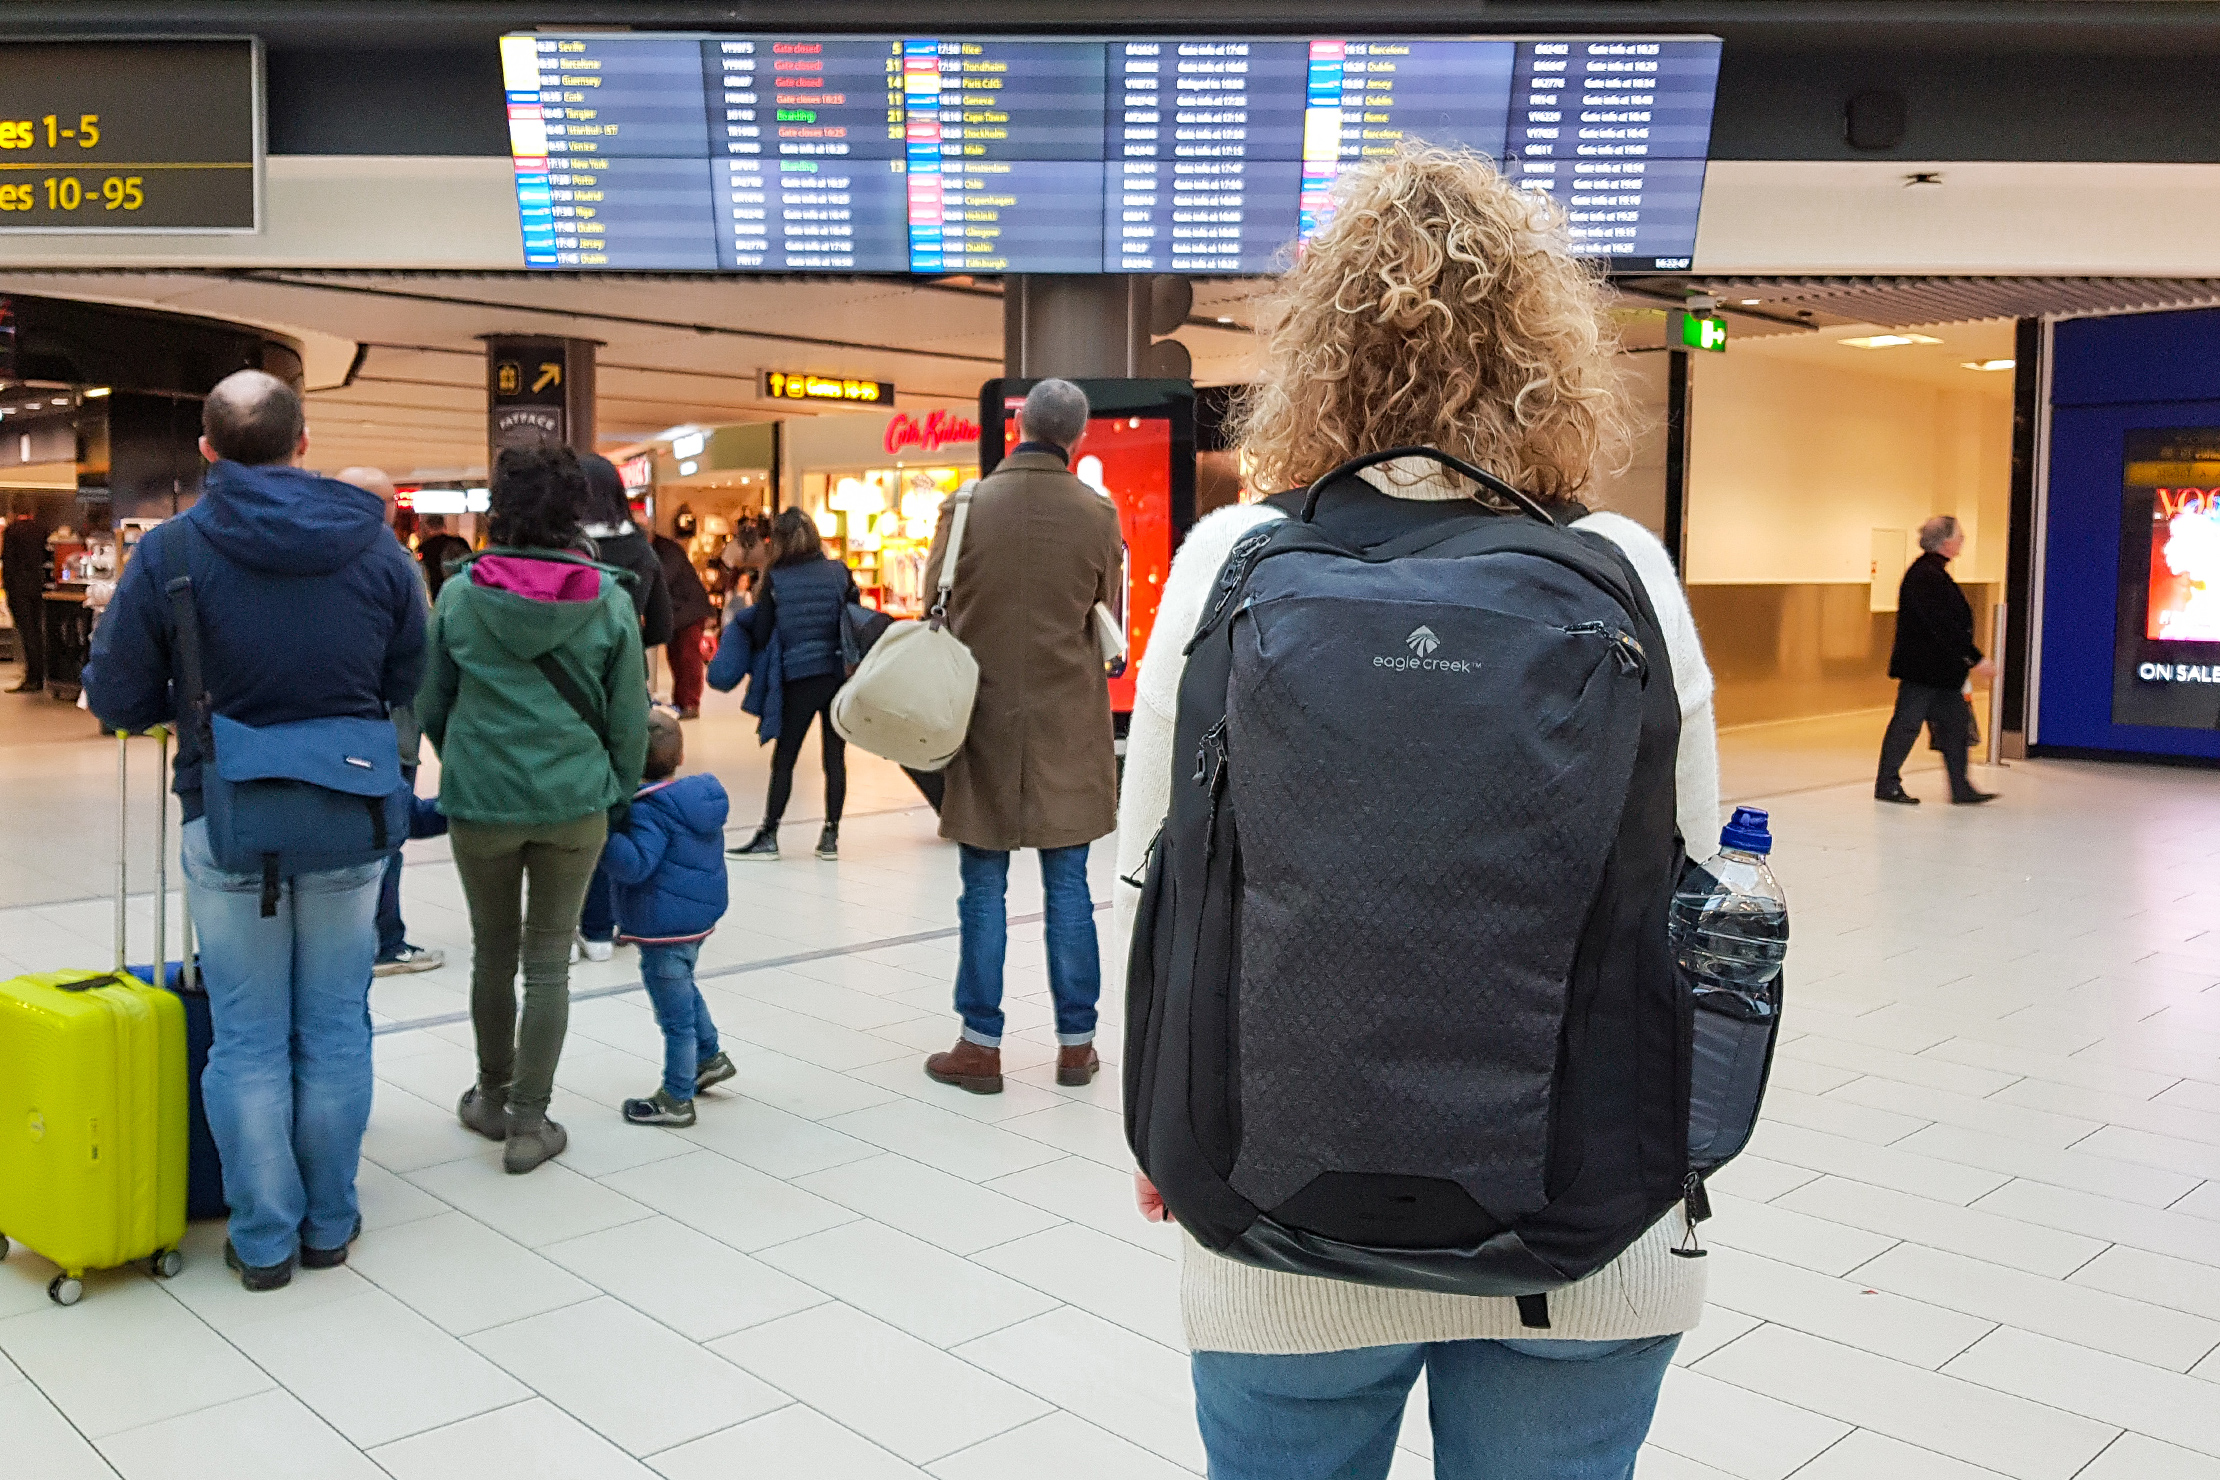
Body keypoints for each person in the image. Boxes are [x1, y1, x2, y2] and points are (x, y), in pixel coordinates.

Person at [1113, 147, 1722, 1479]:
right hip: (1583, 1223)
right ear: (1548, 354)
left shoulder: (1237, 556)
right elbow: (1692, 884)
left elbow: (1145, 867)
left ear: (1315, 354)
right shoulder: (1624, 569)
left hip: (1274, 1217)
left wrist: (1160, 1114)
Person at [86, 370, 427, 1290]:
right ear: (303, 443)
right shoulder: (380, 547)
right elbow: (407, 676)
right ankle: (330, 1223)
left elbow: (114, 696)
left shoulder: (173, 553)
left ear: (205, 451)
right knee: (334, 1027)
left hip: (229, 819)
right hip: (351, 819)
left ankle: (265, 1238)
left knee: (245, 1037)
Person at [416, 443, 649, 1175]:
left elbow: (431, 703)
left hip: (481, 801)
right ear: (574, 508)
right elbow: (629, 720)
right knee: (549, 964)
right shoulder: (608, 600)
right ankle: (529, 1122)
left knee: (494, 952)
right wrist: (617, 788)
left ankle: (490, 1095)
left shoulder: (458, 596)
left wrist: (469, 758)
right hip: (573, 801)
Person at [918, 378, 1123, 1097]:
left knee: (983, 885)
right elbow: (1109, 615)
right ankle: (1076, 1047)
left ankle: (980, 1048)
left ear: (1019, 427)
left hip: (985, 719)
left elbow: (929, 604)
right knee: (1069, 887)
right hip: (1069, 725)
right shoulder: (1098, 514)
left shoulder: (966, 507)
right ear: (1079, 437)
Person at [599, 707, 736, 1126]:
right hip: (695, 920)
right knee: (684, 987)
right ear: (679, 756)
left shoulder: (646, 811)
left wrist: (603, 835)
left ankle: (676, 1097)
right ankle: (709, 1057)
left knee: (673, 1017)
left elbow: (635, 865)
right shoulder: (696, 801)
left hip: (663, 926)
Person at [336, 467, 448, 978]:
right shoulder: (396, 561)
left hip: (325, 726)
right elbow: (419, 649)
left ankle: (336, 940)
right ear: (382, 506)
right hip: (386, 727)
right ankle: (384, 940)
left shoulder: (306, 555)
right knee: (387, 835)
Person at [575, 454, 671, 961]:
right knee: (613, 804)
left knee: (563, 805)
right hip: (625, 690)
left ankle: (559, 924)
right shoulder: (640, 549)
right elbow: (661, 626)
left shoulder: (562, 548)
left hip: (564, 691)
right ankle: (599, 926)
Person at [723, 507, 859, 862]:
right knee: (835, 757)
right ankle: (830, 834)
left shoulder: (777, 579)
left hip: (797, 678)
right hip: (836, 676)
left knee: (785, 759)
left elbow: (765, 631)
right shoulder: (838, 572)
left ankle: (769, 833)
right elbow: (855, 619)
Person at [1877, 514, 1997, 806]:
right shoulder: (1926, 576)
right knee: (1907, 724)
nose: (1962, 541)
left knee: (1955, 725)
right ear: (1945, 542)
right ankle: (1887, 783)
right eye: (1959, 536)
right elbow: (1943, 626)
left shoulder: (1930, 573)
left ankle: (1960, 786)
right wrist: (1975, 659)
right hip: (1925, 670)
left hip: (1939, 671)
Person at [653, 525, 714, 719]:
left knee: (688, 657)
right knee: (676, 656)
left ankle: (689, 702)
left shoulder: (667, 551)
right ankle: (682, 701)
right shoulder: (662, 549)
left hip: (689, 610)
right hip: (677, 612)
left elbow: (664, 577)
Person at [3, 509, 46, 692]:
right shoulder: (41, 529)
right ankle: (39, 674)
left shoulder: (12, 531)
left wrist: (7, 587)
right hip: (37, 587)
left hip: (19, 589)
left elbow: (8, 561)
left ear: (12, 510)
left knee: (27, 633)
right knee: (36, 632)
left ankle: (32, 678)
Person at [415, 513, 472, 599]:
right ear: (444, 526)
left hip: (436, 595)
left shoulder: (425, 548)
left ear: (428, 528)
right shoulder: (460, 542)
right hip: (461, 593)